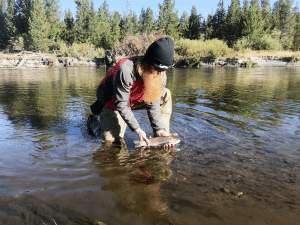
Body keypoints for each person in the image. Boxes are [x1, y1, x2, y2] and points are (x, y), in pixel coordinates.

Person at [88, 37, 177, 148]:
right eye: (158, 70)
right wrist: (138, 129)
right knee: (110, 143)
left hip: (135, 99)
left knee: (165, 94)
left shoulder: (161, 75)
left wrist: (159, 129)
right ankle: (93, 122)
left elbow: (153, 103)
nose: (160, 74)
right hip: (112, 101)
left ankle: (162, 136)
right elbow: (121, 104)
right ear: (147, 63)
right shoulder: (126, 70)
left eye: (164, 70)